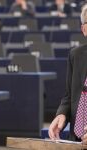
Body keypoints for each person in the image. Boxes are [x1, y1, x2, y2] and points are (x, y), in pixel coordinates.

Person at [48, 4, 87, 143]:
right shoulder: (75, 55)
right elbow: (69, 96)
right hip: (76, 138)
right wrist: (62, 114)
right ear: (84, 29)